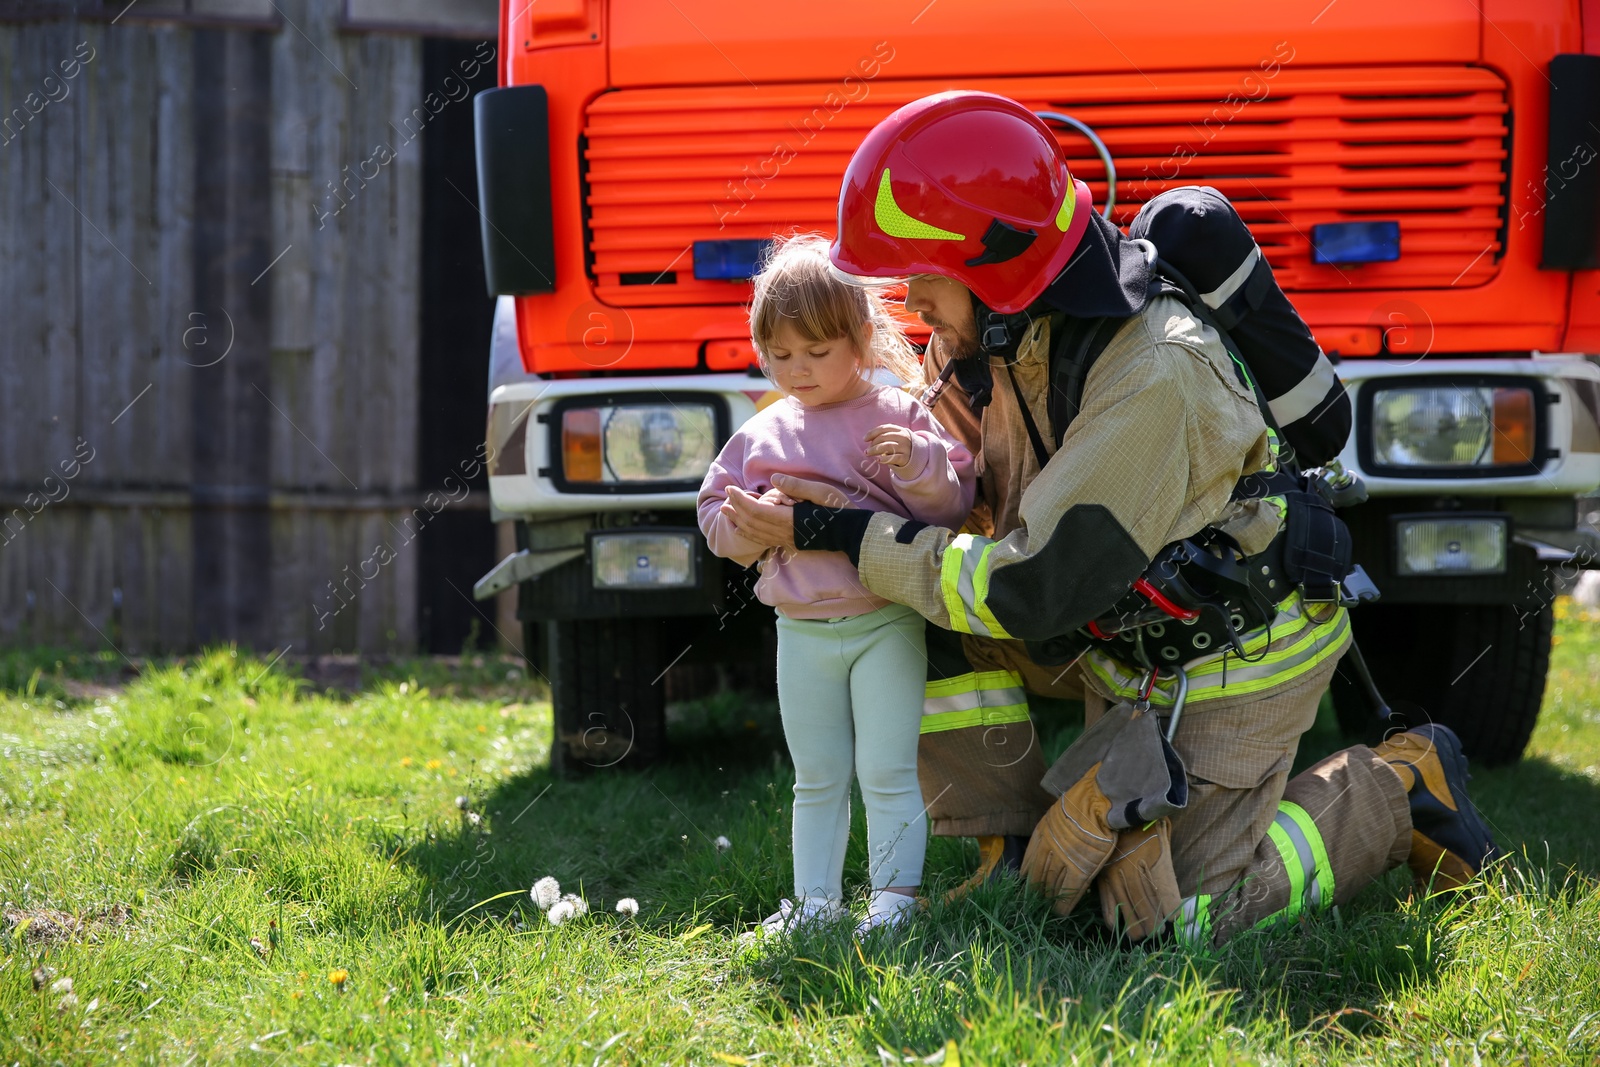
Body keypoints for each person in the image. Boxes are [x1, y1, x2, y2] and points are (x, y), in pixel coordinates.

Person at [724, 92, 1500, 945]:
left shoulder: (1154, 373)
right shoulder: (989, 334)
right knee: (915, 602)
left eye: (921, 275)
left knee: (1174, 921)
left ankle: (1398, 787)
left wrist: (838, 535)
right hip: (1117, 642)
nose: (909, 299)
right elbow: (941, 497)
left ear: (991, 271)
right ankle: (1010, 844)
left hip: (1231, 653)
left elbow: (1028, 586)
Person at [697, 235, 977, 937]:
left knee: (886, 767)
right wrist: (746, 533)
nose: (798, 370)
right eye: (780, 355)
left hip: (885, 623)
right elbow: (713, 513)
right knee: (816, 774)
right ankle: (815, 903)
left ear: (859, 338)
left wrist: (916, 463)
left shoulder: (899, 416)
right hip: (801, 629)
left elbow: (949, 504)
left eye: (816, 352)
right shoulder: (764, 432)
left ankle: (894, 899)